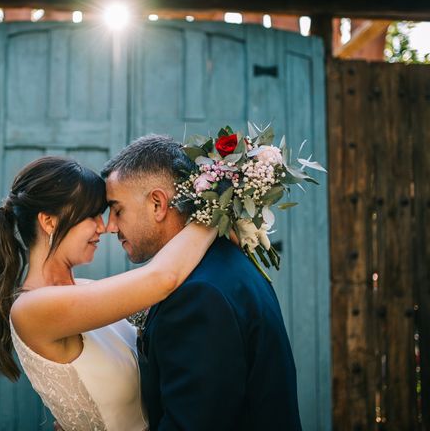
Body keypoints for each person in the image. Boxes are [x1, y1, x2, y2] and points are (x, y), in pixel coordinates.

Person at [0, 156, 217, 431]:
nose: (103, 227)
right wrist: (217, 212)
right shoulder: (32, 308)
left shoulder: (87, 289)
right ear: (49, 222)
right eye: (91, 216)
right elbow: (163, 278)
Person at [100, 134, 303, 430]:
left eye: (117, 209)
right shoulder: (221, 265)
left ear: (158, 203)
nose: (110, 226)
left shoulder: (198, 295)